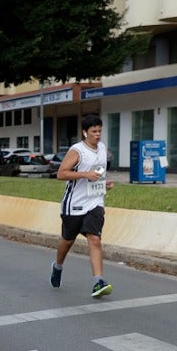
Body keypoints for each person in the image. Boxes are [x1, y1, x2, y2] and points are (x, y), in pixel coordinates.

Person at [51, 114, 113, 298]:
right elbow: (61, 174)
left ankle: (98, 281)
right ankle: (57, 266)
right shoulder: (77, 150)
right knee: (68, 240)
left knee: (95, 239)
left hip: (95, 201)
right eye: (94, 131)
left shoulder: (102, 148)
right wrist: (85, 174)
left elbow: (99, 173)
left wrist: (105, 184)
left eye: (100, 131)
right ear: (85, 132)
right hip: (74, 204)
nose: (97, 135)